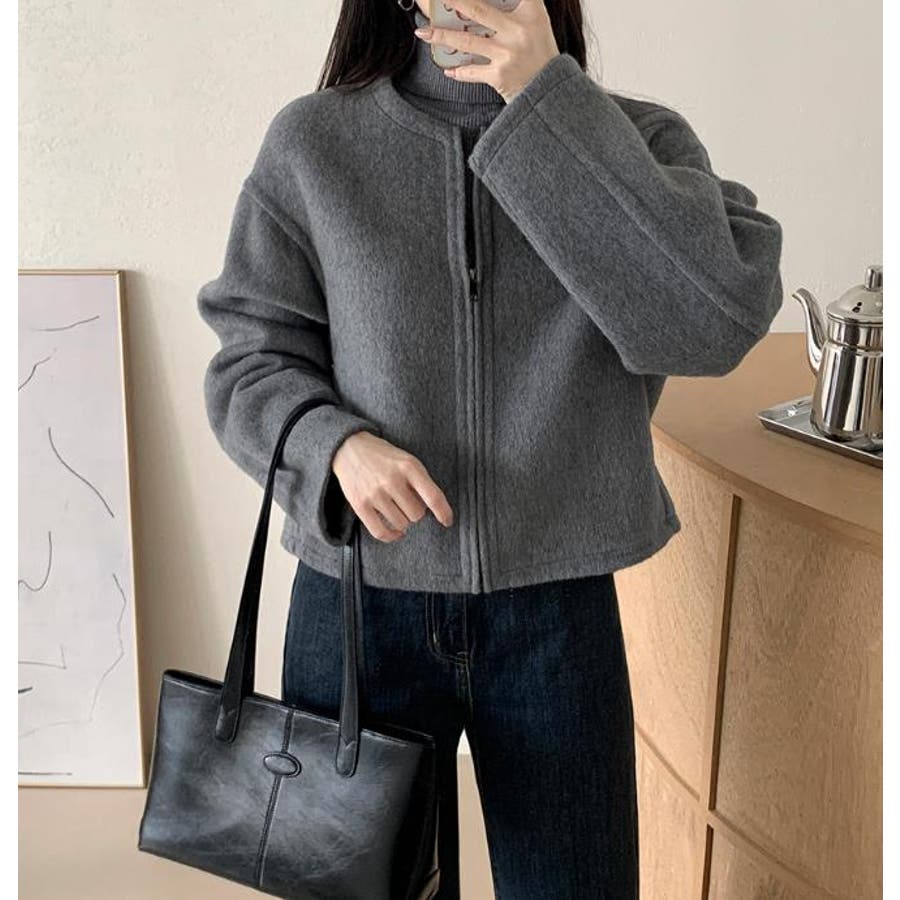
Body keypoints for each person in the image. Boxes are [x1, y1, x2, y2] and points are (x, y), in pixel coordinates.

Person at [197, 0, 784, 896]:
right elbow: (248, 360)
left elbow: (711, 325)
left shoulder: (639, 142)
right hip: (359, 603)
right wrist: (334, 446)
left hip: (558, 614)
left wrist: (550, 108)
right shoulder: (316, 145)